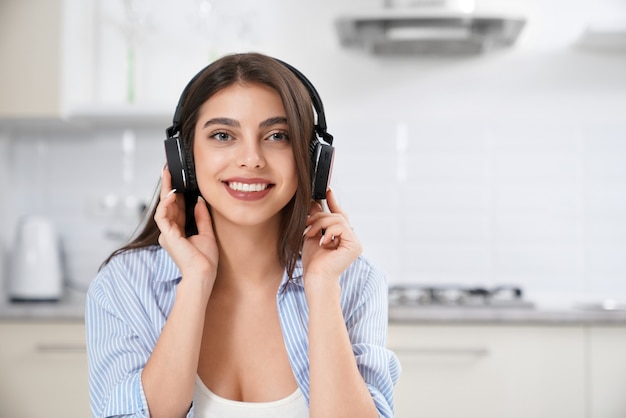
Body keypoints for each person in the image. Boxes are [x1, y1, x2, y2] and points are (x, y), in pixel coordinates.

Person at [85, 52, 400, 418]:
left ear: (312, 160)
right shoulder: (124, 284)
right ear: (183, 159)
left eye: (277, 136)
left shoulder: (355, 282)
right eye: (223, 135)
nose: (251, 159)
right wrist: (196, 281)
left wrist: (322, 288)